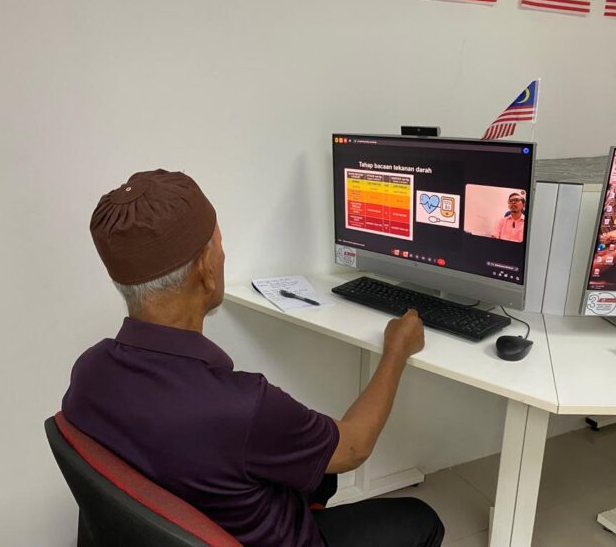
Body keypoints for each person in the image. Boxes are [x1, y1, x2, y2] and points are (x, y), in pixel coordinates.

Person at [62, 170, 444, 547]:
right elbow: (355, 447)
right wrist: (396, 351)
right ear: (206, 270)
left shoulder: (89, 372)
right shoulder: (241, 407)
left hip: (203, 516)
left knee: (316, 464)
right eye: (219, 243)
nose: (223, 255)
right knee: (420, 518)